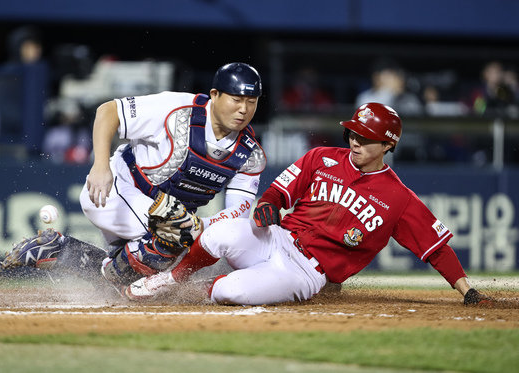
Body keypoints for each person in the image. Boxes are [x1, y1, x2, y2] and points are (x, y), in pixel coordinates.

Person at [125, 102, 492, 307]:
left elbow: (435, 248)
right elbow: (277, 193)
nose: (355, 142)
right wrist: (268, 204)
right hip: (277, 239)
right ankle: (170, 280)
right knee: (221, 232)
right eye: (353, 133)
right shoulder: (321, 157)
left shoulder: (399, 198)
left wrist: (467, 290)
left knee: (229, 291)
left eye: (366, 138)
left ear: (388, 145)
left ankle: (196, 296)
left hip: (305, 272)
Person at [2, 62, 266, 289]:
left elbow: (238, 214)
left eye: (251, 102)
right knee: (174, 235)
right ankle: (111, 269)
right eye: (236, 99)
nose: (243, 109)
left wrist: (200, 226)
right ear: (215, 95)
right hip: (116, 192)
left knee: (144, 280)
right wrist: (100, 165)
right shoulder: (178, 110)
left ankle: (61, 251)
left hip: (162, 216)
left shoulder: (250, 154)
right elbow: (108, 111)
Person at [355, 58, 423, 116]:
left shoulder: (409, 99)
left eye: (395, 76)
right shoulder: (365, 98)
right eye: (388, 76)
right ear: (376, 77)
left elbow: (417, 121)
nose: (393, 80)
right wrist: (391, 93)